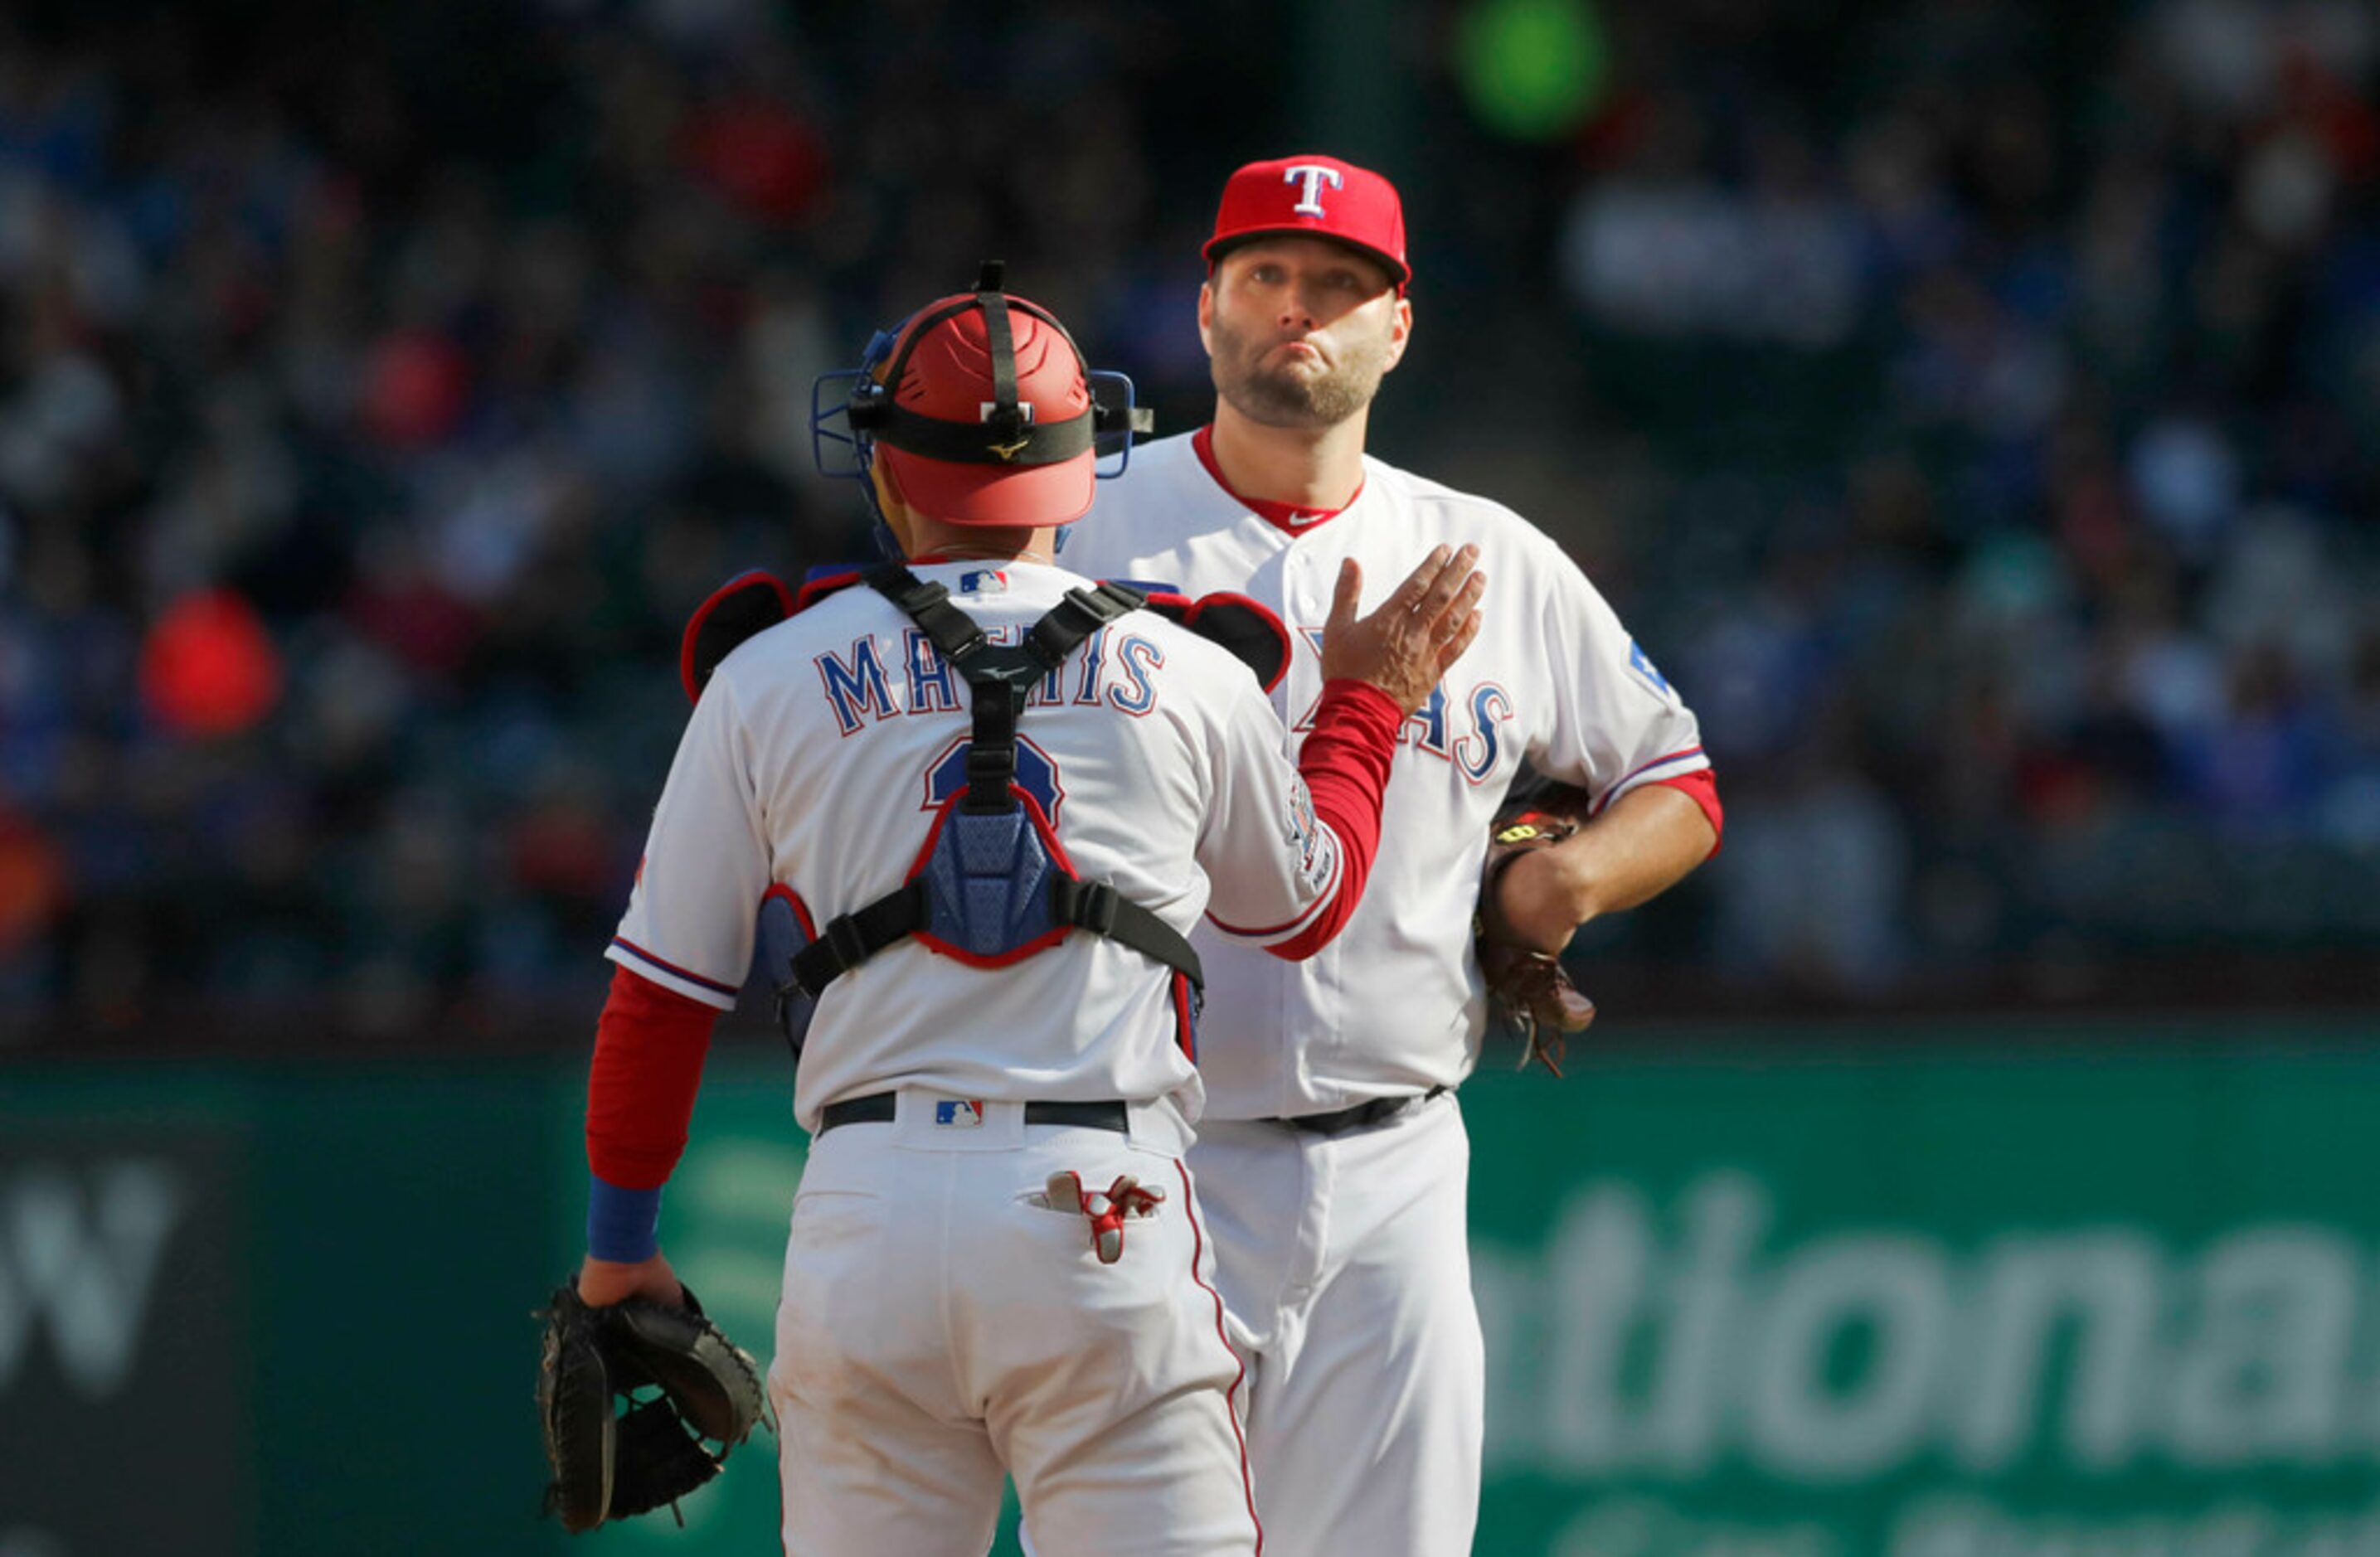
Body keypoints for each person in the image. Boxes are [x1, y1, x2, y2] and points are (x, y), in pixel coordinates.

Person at [567, 270, 1485, 1555]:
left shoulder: (767, 674)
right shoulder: (1193, 670)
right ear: (1078, 465)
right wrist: (1363, 706)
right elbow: (1306, 905)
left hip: (864, 1209)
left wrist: (619, 1251)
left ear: (887, 471)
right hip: (1098, 1209)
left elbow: (658, 997)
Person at [1061, 156, 1726, 1555]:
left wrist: (1563, 880)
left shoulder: (1485, 553)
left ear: (1396, 328)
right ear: (1204, 310)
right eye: (1264, 277)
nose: (1295, 308)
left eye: (1336, 285)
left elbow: (1675, 774)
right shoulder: (1079, 525)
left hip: (1396, 1167)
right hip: (1137, 1160)